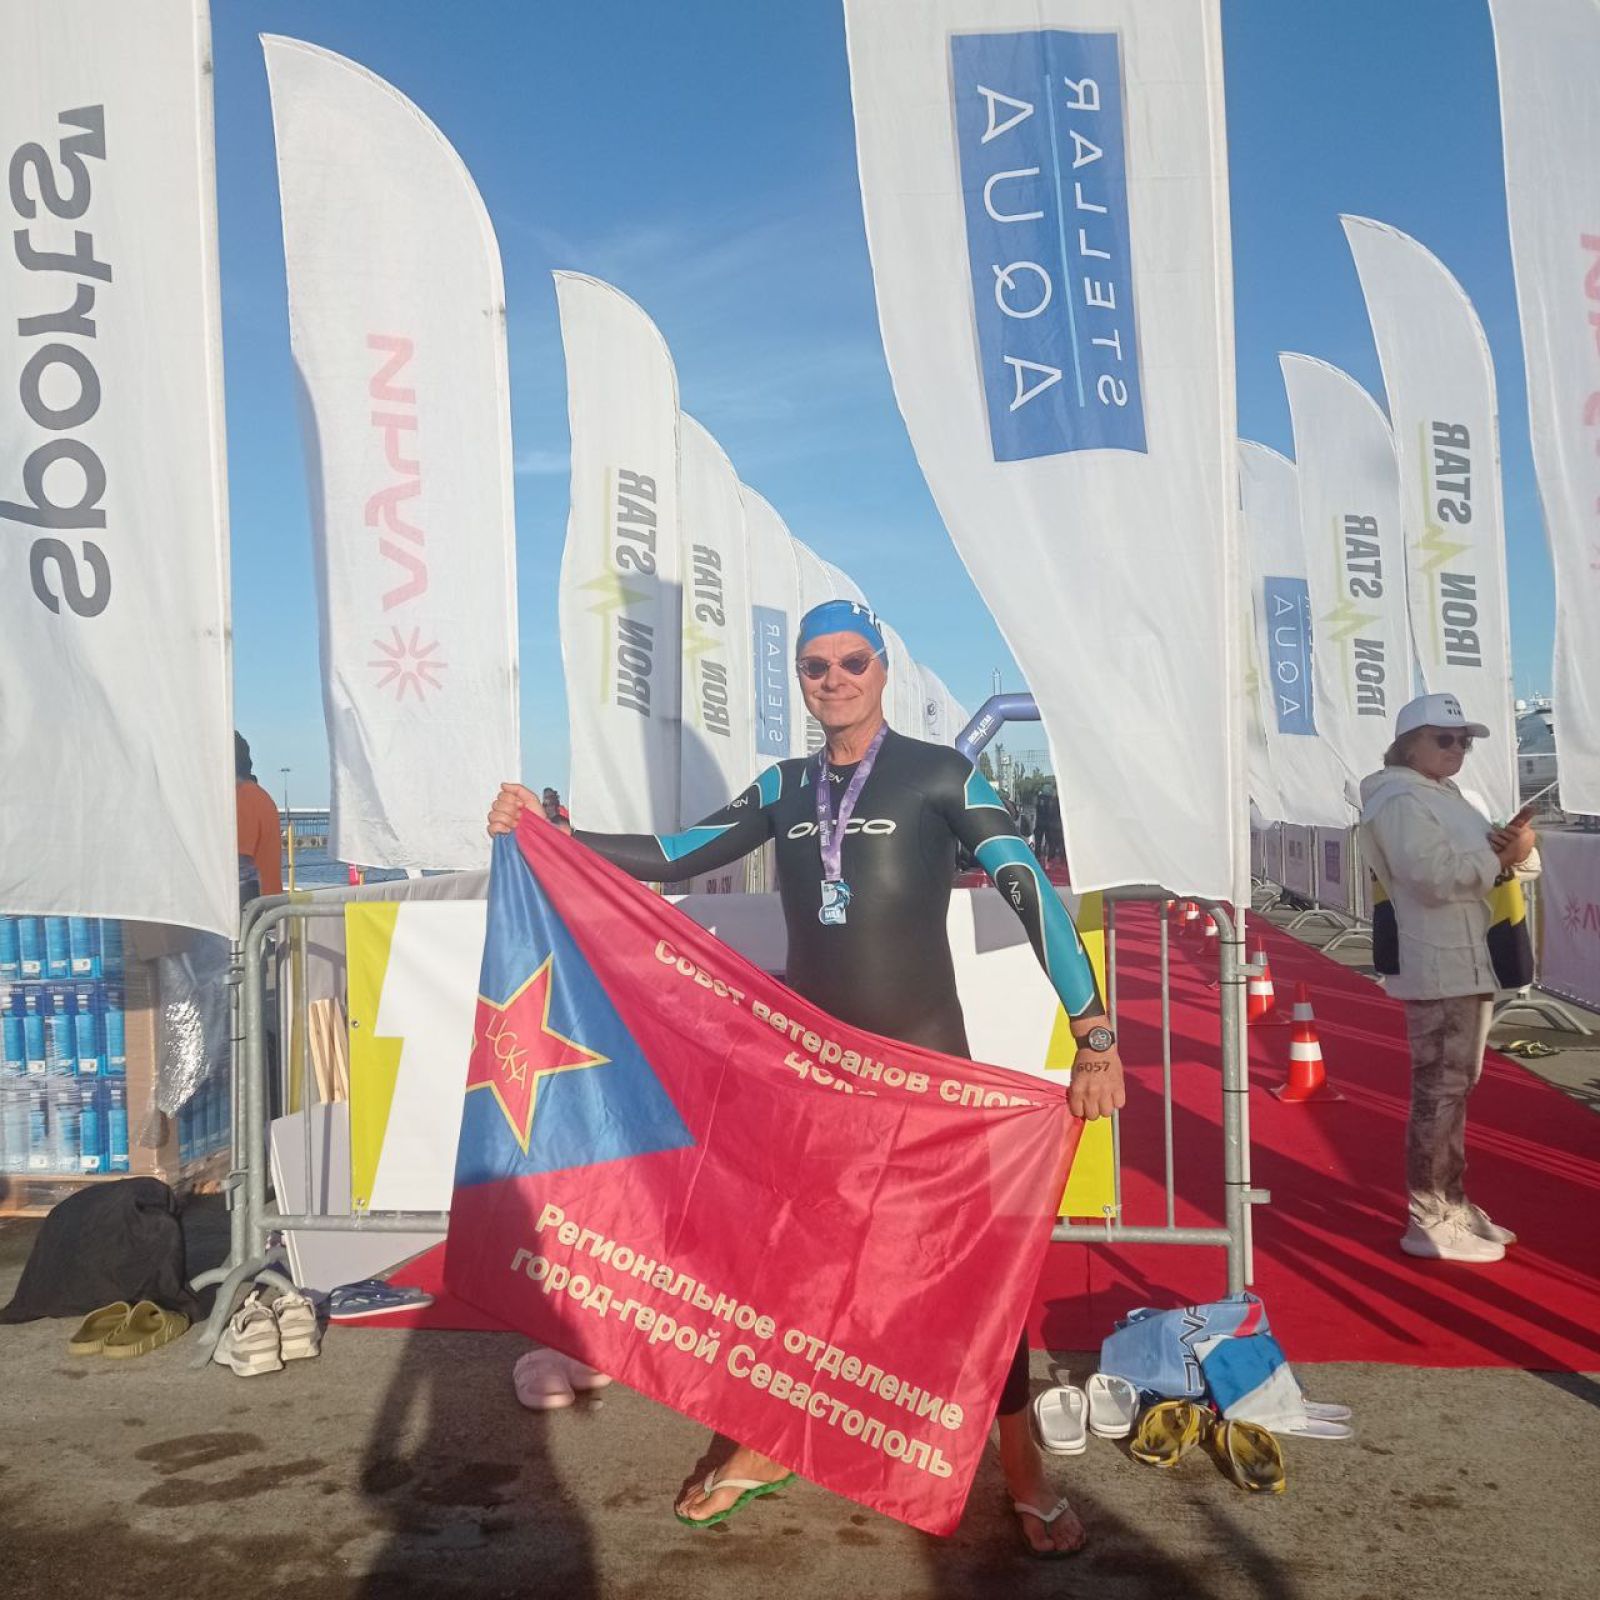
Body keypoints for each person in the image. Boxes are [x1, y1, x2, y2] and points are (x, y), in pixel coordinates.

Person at [489, 599, 1124, 1556]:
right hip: (819, 1081)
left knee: (969, 1282)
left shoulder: (938, 774)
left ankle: (1023, 1468)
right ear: (800, 677)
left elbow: (1026, 885)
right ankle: (768, 1440)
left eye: (852, 662)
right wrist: (556, 834)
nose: (835, 680)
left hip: (925, 1084)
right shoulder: (785, 786)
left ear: (882, 669)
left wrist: (1094, 1033)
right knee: (795, 1270)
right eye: (816, 667)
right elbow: (678, 854)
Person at [1358, 693, 1539, 1265]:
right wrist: (1503, 857)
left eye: (1463, 740)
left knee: (1453, 1087)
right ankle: (1431, 1217)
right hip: (1439, 963)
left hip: (1463, 960)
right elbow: (1433, 878)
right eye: (1444, 738)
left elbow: (1487, 866)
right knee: (1440, 1090)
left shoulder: (1441, 796)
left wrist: (1510, 850)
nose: (1457, 748)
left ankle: (1450, 1203)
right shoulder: (1400, 800)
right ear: (1407, 745)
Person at [235, 732, 283, 900]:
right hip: (268, 905)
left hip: (251, 908)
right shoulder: (259, 796)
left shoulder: (241, 799)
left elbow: (239, 868)